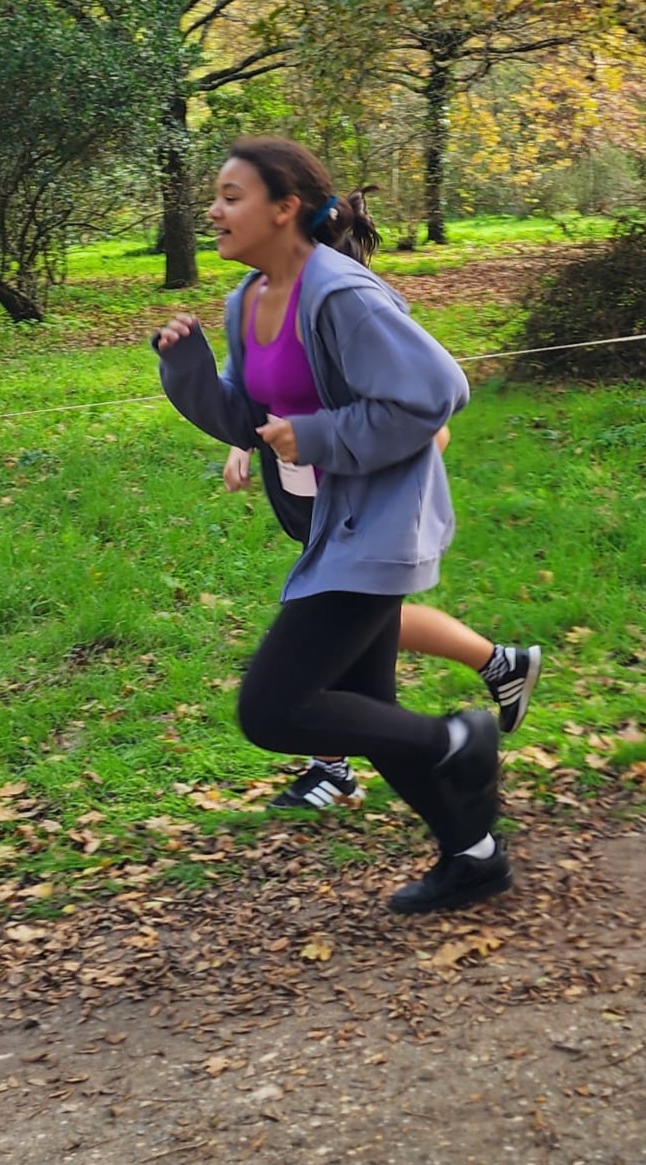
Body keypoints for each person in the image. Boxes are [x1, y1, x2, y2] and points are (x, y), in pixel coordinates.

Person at [155, 135, 512, 913]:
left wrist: (318, 436)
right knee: (368, 707)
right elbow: (246, 420)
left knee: (273, 707)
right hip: (325, 522)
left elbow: (436, 393)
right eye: (216, 197)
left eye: (232, 196)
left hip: (378, 523)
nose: (213, 211)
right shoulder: (247, 299)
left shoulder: (341, 293)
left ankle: (456, 740)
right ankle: (475, 856)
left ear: (285, 208)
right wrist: (187, 373)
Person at [221, 438, 542, 810]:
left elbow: (429, 426)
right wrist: (243, 441)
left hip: (362, 520)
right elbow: (266, 401)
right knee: (348, 633)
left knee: (324, 635)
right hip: (323, 510)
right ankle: (496, 671)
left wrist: (388, 489)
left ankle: (446, 741)